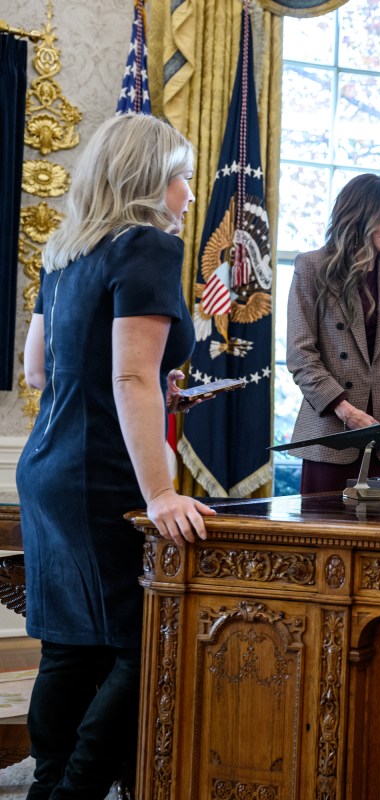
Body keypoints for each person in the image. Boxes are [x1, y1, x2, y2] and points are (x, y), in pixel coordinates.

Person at [15, 113, 214, 799]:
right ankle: (72, 791)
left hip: (46, 468)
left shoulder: (64, 250)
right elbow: (129, 378)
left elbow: (40, 369)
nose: (188, 190)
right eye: (181, 174)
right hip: (101, 476)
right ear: (151, 181)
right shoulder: (148, 247)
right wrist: (161, 495)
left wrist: (162, 388)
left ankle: (47, 788)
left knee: (70, 646)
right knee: (143, 642)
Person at [286, 174, 380, 492]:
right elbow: (301, 354)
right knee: (327, 537)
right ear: (358, 213)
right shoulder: (312, 267)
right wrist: (345, 410)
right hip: (331, 438)